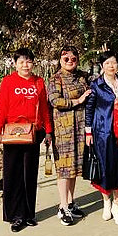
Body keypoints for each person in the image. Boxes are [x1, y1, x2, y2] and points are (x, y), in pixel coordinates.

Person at [0, 48, 53, 233]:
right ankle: (15, 215)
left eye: (28, 61)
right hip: (13, 133)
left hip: (33, 132)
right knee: (13, 174)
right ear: (15, 64)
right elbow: (2, 107)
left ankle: (28, 214)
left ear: (33, 63)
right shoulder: (8, 82)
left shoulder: (39, 82)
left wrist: (48, 131)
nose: (25, 65)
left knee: (29, 174)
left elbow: (44, 108)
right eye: (21, 62)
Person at [85, 50, 118, 226]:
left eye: (113, 62)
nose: (111, 66)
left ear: (117, 65)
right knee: (105, 167)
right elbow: (89, 108)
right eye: (107, 63)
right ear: (102, 66)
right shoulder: (96, 85)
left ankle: (116, 206)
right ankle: (106, 202)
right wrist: (88, 132)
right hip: (102, 133)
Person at [47, 46, 92, 226]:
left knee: (74, 168)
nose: (70, 62)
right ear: (60, 60)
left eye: (73, 59)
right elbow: (55, 100)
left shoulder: (82, 77)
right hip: (63, 130)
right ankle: (63, 206)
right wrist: (77, 101)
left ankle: (71, 202)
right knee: (64, 169)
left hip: (79, 128)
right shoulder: (55, 79)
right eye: (66, 59)